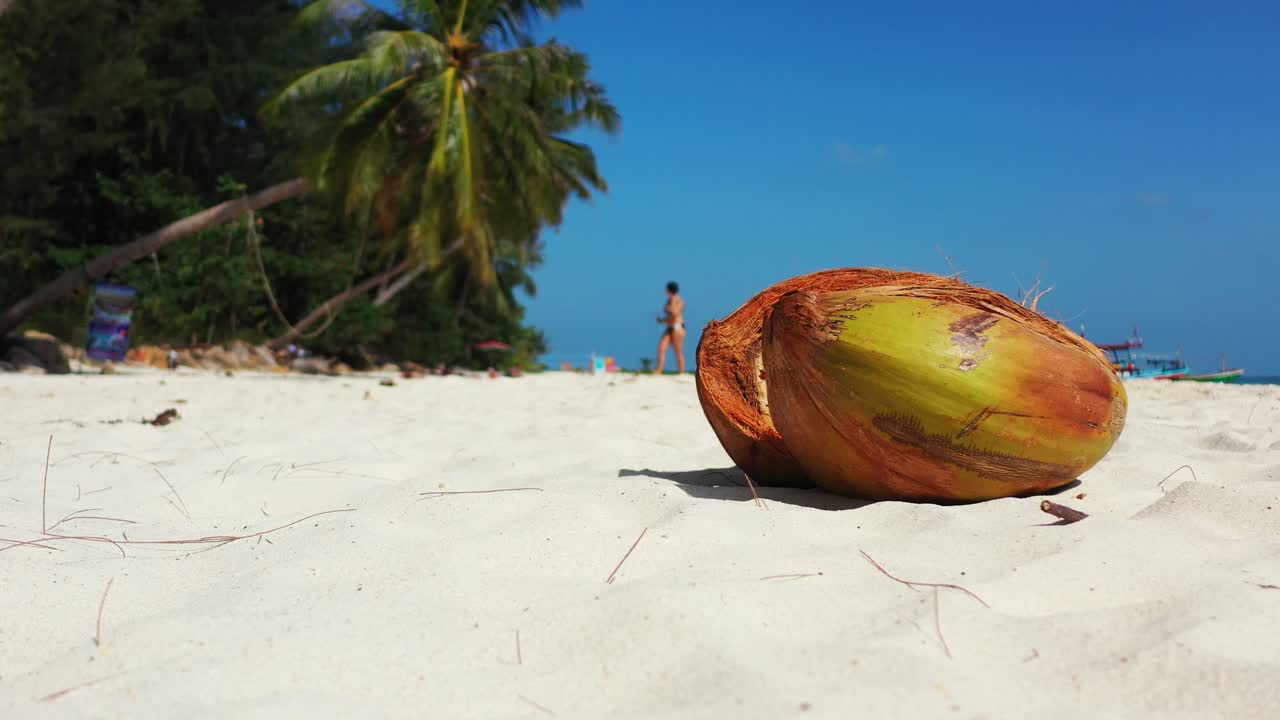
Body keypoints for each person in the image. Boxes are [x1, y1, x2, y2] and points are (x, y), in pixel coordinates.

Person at [654, 281, 686, 374]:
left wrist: (667, 309)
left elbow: (675, 313)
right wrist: (662, 320)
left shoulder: (679, 300)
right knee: (661, 348)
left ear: (669, 290)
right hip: (669, 328)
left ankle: (682, 372)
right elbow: (670, 316)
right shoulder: (669, 300)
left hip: (678, 328)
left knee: (678, 351)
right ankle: (659, 370)